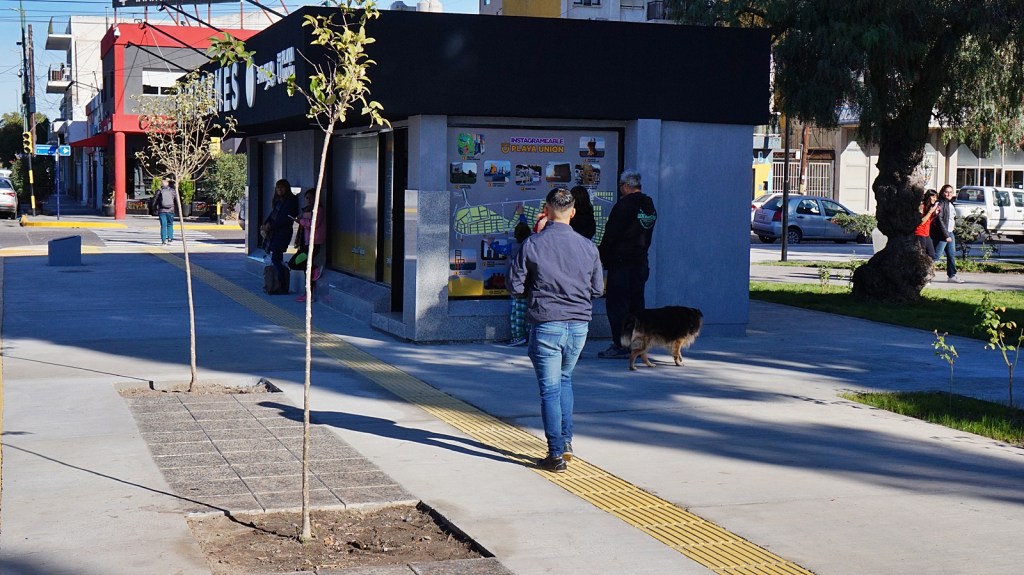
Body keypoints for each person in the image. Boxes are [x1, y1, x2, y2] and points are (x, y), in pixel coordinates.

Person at [510, 187, 603, 473]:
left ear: (546, 210)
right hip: (578, 326)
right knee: (565, 380)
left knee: (550, 389)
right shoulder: (588, 246)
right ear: (573, 212)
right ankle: (566, 442)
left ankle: (555, 454)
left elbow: (514, 287)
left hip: (547, 322)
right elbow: (598, 289)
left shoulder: (532, 244)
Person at [597, 170, 657, 359]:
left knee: (617, 306)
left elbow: (610, 235)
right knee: (637, 305)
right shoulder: (649, 206)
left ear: (625, 186)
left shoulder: (623, 206)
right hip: (640, 262)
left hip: (621, 263)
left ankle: (621, 344)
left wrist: (601, 257)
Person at [289, 188, 327, 302]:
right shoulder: (306, 210)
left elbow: (313, 224)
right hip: (305, 243)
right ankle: (308, 294)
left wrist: (300, 221)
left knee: (294, 263)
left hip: (313, 244)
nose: (309, 200)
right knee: (306, 268)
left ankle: (314, 269)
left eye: (311, 197)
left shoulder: (318, 210)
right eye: (307, 197)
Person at [263, 179, 299, 294]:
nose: (280, 190)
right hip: (275, 232)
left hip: (282, 233)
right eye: (278, 187)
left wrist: (271, 226)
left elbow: (284, 219)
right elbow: (273, 214)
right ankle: (278, 283)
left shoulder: (290, 201)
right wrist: (266, 223)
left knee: (276, 259)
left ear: (287, 188)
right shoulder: (278, 201)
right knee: (277, 258)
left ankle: (281, 284)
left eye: (282, 187)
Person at [506, 213, 532, 346]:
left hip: (516, 285)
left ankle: (517, 336)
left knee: (516, 313)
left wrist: (490, 243)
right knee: (527, 310)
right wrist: (522, 215)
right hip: (528, 285)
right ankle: (529, 335)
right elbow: (525, 229)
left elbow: (499, 249)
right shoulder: (531, 246)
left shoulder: (513, 247)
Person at [932, 184, 964, 283]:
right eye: (946, 192)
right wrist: (945, 235)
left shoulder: (950, 203)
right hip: (943, 234)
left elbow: (951, 218)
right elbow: (939, 220)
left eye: (950, 192)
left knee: (951, 255)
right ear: (942, 192)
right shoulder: (940, 203)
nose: (948, 194)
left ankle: (952, 276)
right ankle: (924, 275)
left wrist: (951, 231)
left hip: (950, 232)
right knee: (936, 256)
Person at [915, 189, 938, 260]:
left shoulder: (930, 207)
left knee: (932, 254)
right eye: (933, 197)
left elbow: (929, 221)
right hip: (919, 233)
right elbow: (921, 222)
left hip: (926, 233)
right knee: (922, 254)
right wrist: (930, 212)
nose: (935, 199)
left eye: (936, 197)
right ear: (928, 196)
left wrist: (935, 213)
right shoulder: (922, 206)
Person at [152, 179, 176, 245]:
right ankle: (170, 238)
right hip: (171, 210)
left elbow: (154, 201)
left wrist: (154, 209)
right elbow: (176, 200)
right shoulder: (172, 191)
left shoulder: (159, 191)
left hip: (162, 211)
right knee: (170, 224)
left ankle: (163, 241)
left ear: (161, 185)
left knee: (163, 225)